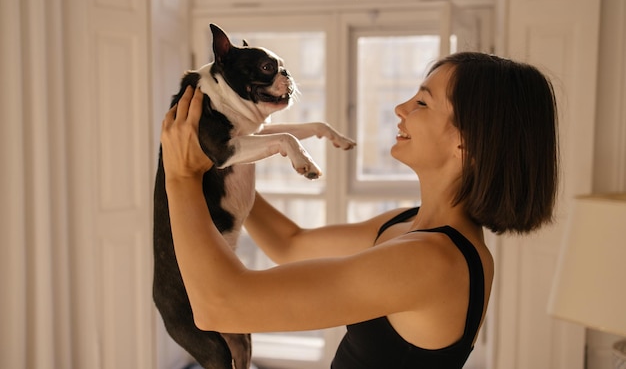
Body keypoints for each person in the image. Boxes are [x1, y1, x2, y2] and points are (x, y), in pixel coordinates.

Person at [160, 52, 559, 368]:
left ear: (468, 143)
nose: (401, 108)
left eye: (423, 102)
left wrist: (179, 178)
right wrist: (218, 156)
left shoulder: (431, 261)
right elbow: (290, 244)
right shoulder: (409, 225)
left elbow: (221, 307)